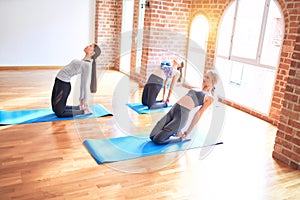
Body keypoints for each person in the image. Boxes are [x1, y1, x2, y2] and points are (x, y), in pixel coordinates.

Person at [150, 70, 219, 145]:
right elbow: (184, 84)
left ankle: (180, 139)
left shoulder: (209, 98)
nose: (204, 78)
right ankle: (175, 131)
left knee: (157, 140)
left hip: (181, 117)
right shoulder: (197, 87)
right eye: (205, 76)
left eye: (207, 77)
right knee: (152, 136)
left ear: (212, 82)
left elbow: (199, 114)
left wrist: (188, 131)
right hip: (172, 111)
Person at [51, 43, 101, 118]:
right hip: (58, 81)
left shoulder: (87, 65)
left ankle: (83, 111)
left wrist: (84, 100)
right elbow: (82, 81)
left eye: (90, 46)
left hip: (63, 85)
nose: (87, 46)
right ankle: (78, 108)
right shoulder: (84, 60)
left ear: (93, 52)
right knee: (54, 109)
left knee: (59, 113)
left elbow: (85, 84)